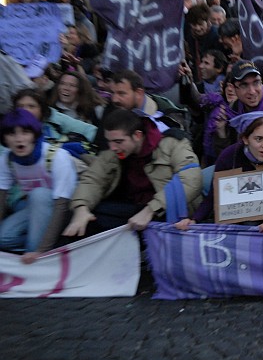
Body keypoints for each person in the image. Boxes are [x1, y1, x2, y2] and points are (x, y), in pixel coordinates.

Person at [63, 109, 202, 237]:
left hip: (168, 211)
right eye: (109, 141)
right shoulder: (113, 153)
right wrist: (81, 208)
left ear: (137, 135)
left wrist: (150, 210)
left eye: (118, 141)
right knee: (82, 218)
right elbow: (93, 179)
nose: (113, 147)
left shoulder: (173, 143)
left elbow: (191, 180)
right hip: (133, 211)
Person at [178, 112, 263, 233]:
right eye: (259, 139)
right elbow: (214, 196)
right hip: (237, 222)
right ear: (245, 139)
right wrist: (194, 220)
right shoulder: (228, 157)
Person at [0, 109, 77, 262]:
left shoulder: (57, 157)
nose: (19, 139)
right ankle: (48, 243)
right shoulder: (6, 160)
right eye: (12, 134)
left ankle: (35, 253)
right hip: (36, 209)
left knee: (39, 194)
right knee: (3, 238)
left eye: (25, 132)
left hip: (67, 211)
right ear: (5, 139)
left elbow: (61, 206)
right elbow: (1, 198)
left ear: (34, 135)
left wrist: (40, 250)